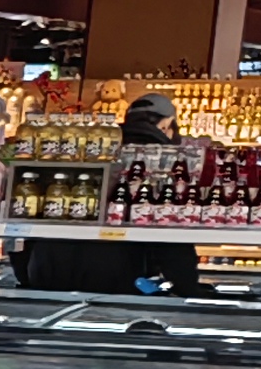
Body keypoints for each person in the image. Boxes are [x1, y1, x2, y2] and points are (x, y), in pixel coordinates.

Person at [11, 89, 201, 295]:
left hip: (48, 272)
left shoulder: (87, 150)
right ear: (167, 124)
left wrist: (26, 275)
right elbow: (170, 233)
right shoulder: (166, 163)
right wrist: (187, 290)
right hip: (119, 280)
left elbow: (33, 214)